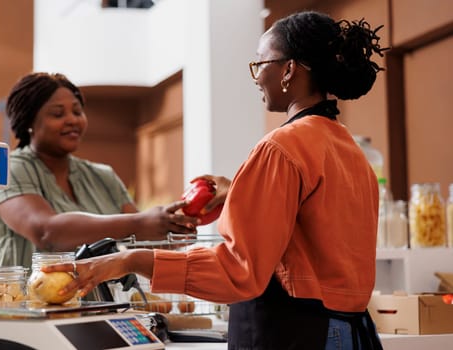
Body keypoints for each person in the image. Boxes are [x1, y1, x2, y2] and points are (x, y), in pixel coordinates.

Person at [43, 11, 388, 349]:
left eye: (260, 64)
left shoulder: (281, 148)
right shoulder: (349, 149)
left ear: (288, 70)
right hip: (352, 332)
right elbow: (314, 240)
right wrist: (238, 191)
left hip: (298, 333)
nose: (255, 77)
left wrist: (129, 260)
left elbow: (238, 270)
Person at [0, 72, 199, 268]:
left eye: (77, 111)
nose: (72, 120)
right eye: (58, 114)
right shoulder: (8, 169)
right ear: (29, 122)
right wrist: (140, 222)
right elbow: (46, 232)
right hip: (21, 307)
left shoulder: (102, 176)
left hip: (96, 308)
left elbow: (140, 240)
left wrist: (174, 227)